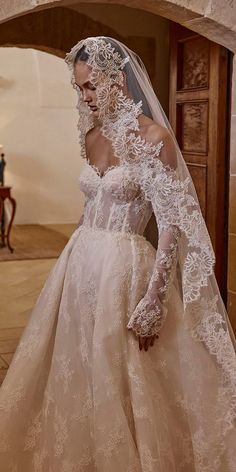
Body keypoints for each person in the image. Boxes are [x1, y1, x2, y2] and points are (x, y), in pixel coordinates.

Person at [0, 36, 235, 472]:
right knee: (74, 364)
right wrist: (70, 263)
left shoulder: (154, 138)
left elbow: (169, 222)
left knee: (124, 370)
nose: (86, 96)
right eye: (80, 89)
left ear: (116, 77)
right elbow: (91, 204)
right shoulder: (91, 136)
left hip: (126, 269)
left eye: (91, 86)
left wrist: (155, 296)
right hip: (82, 259)